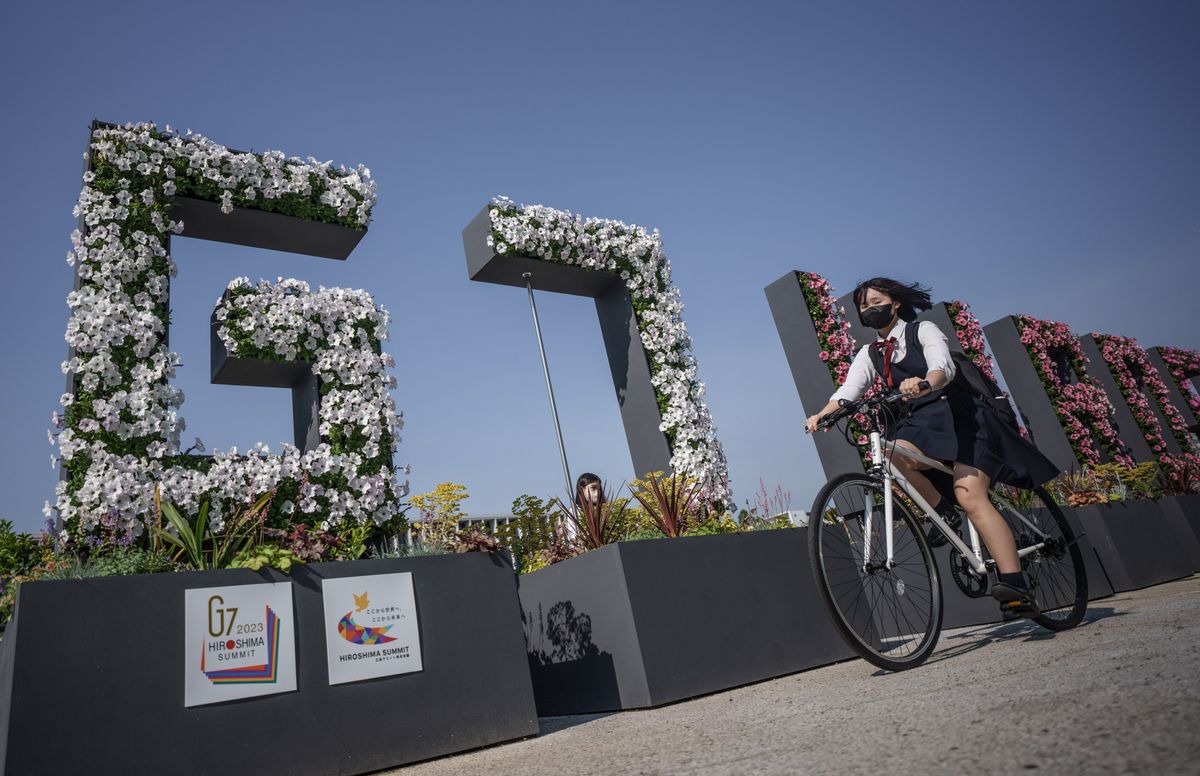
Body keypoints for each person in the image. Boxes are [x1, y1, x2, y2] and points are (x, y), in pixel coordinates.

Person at [805, 277, 1059, 617]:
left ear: (895, 303)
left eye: (876, 302)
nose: (870, 310)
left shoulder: (921, 331)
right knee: (892, 453)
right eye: (864, 307)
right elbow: (849, 389)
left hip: (963, 418)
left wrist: (925, 382)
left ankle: (1014, 583)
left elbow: (943, 366)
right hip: (923, 423)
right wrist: (822, 415)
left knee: (970, 494)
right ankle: (943, 511)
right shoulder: (870, 354)